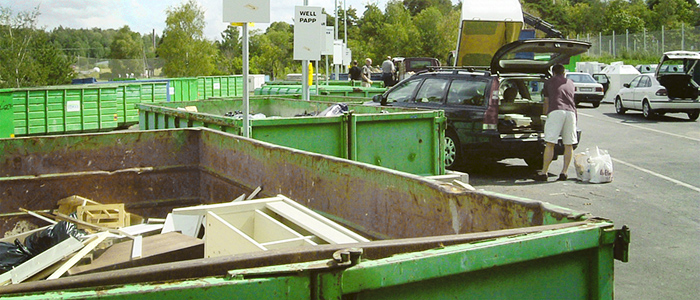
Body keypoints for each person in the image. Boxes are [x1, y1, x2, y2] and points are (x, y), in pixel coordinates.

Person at [535, 64, 577, 182]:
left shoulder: (549, 82)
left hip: (556, 111)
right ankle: (564, 172)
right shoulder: (571, 83)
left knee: (550, 143)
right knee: (569, 144)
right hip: (571, 113)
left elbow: (546, 101)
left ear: (553, 73)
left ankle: (544, 173)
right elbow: (572, 100)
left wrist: (544, 114)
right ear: (564, 73)